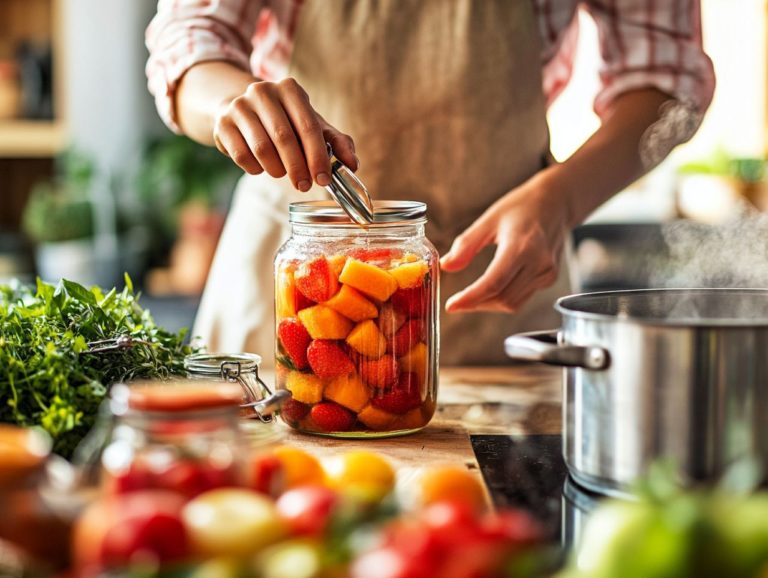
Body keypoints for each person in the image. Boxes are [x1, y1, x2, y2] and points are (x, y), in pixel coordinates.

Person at [146, 0, 714, 365]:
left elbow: (670, 84)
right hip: (294, 268)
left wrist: (562, 198)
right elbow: (188, 36)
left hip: (504, 281)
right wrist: (230, 102)